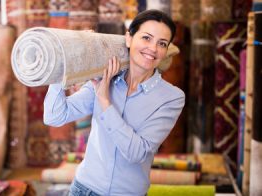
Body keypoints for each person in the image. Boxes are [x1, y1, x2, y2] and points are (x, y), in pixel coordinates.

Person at [44, 9, 185, 196]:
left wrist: (104, 100)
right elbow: (54, 116)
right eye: (146, 38)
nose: (153, 48)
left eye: (162, 43)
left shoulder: (171, 97)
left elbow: (136, 153)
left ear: (166, 50)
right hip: (83, 189)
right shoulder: (105, 78)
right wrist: (64, 62)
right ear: (129, 38)